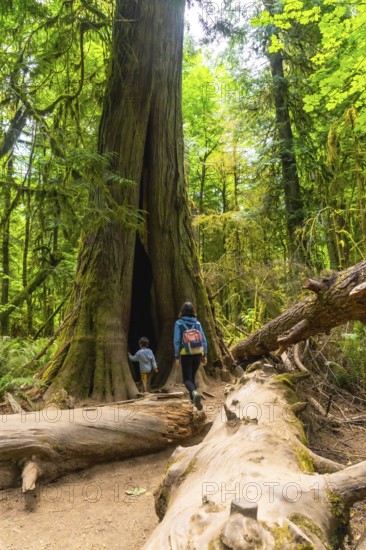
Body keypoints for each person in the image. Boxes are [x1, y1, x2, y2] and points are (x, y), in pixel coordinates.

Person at [173, 302, 207, 411]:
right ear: (193, 311)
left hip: (186, 353)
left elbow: (177, 341)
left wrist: (177, 356)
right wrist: (204, 354)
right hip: (197, 352)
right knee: (191, 377)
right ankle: (194, 402)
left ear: (182, 311)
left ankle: (194, 393)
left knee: (187, 379)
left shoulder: (179, 323)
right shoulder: (197, 323)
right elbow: (203, 340)